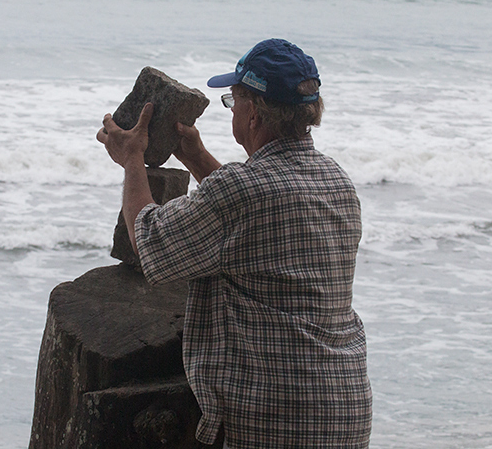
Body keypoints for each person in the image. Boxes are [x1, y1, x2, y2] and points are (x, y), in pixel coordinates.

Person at [96, 39, 372, 448]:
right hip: (342, 408)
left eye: (234, 100)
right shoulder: (335, 180)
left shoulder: (241, 190)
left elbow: (151, 239)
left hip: (277, 418)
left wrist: (132, 159)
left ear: (255, 113)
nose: (233, 109)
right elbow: (257, 214)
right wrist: (195, 156)